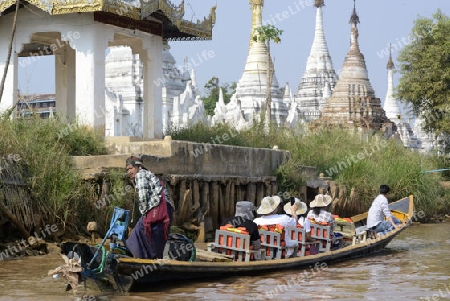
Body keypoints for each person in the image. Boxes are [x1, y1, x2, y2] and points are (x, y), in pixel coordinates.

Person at [125, 156, 175, 259]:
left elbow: (143, 197)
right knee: (154, 238)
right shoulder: (148, 174)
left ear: (138, 167)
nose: (129, 172)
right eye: (127, 170)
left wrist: (144, 213)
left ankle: (145, 262)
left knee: (139, 234)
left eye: (131, 168)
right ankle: (151, 262)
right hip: (165, 211)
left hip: (158, 210)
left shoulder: (141, 175)